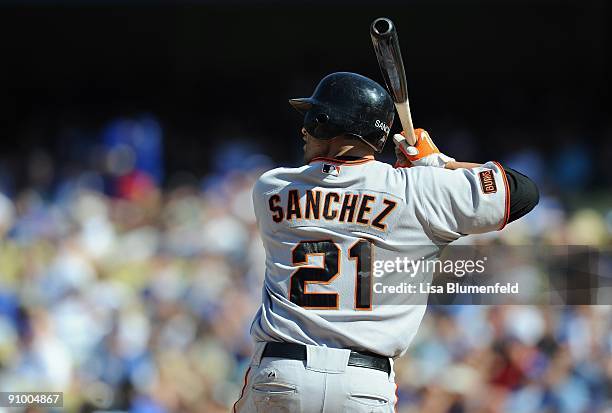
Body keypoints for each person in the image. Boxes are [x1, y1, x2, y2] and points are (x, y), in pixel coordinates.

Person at [234, 72, 539, 412]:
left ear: (326, 122)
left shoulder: (272, 187)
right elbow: (524, 191)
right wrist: (439, 165)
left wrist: (425, 174)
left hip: (281, 374)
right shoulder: (419, 190)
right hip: (363, 385)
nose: (304, 129)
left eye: (312, 118)